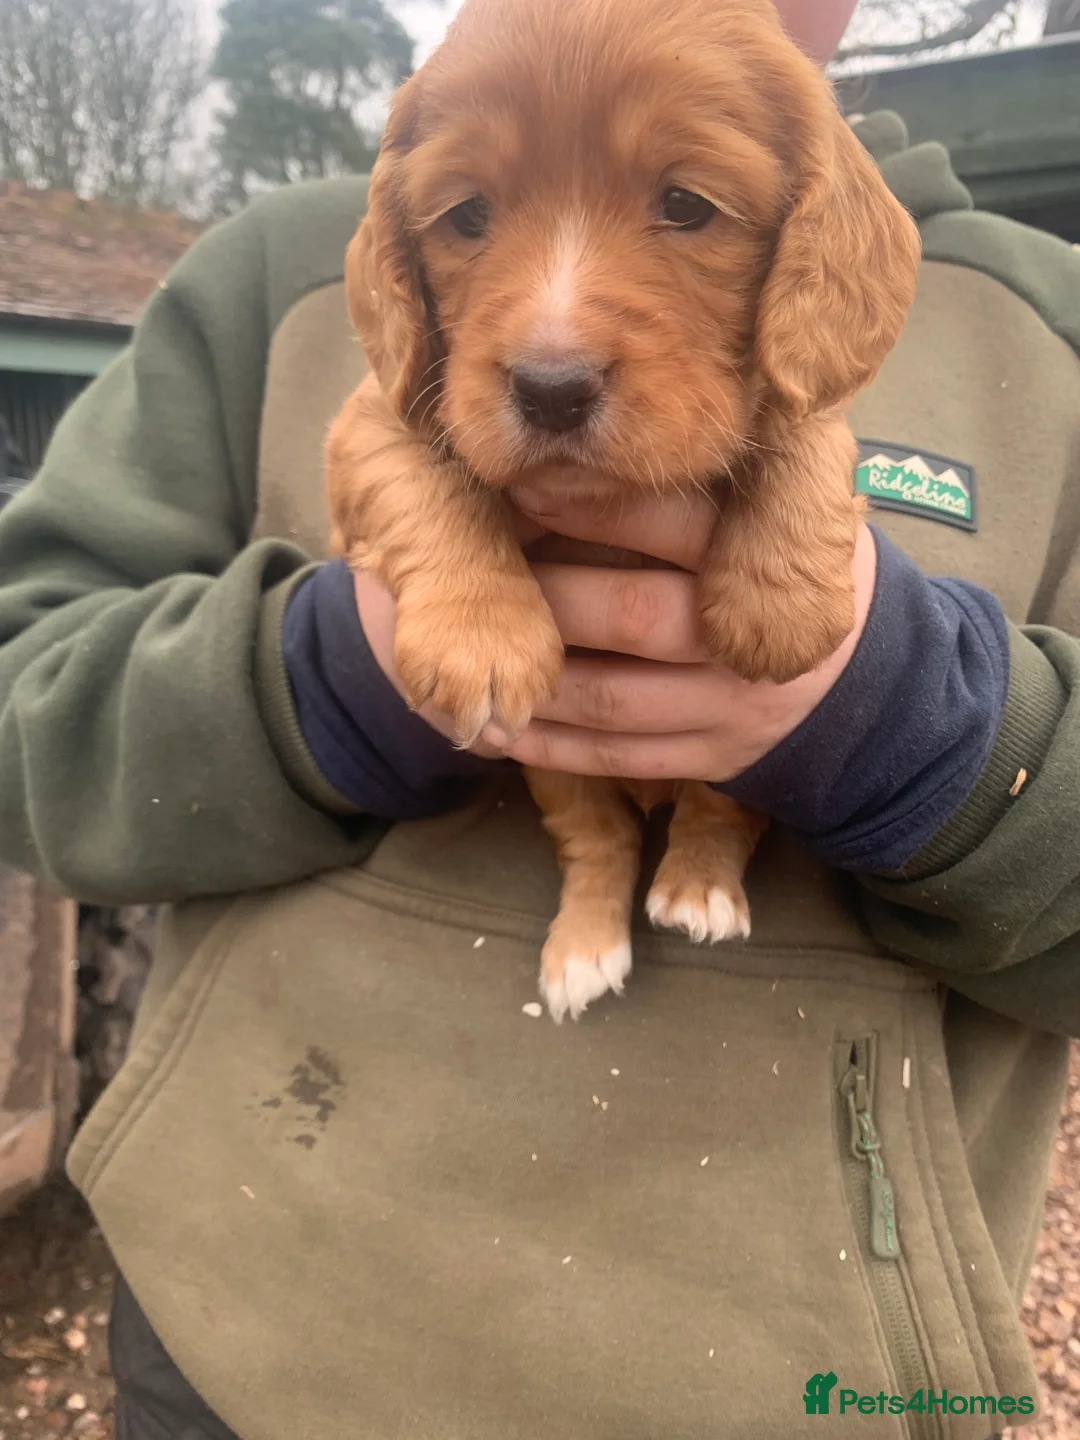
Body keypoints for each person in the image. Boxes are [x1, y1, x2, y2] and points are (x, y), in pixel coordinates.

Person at [0, 0, 1078, 1434]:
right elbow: (26, 703)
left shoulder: (1046, 334)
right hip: (249, 1324)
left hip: (804, 1389)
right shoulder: (265, 282)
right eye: (468, 219)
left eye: (686, 206)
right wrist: (311, 682)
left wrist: (938, 741)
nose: (552, 331)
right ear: (404, 243)